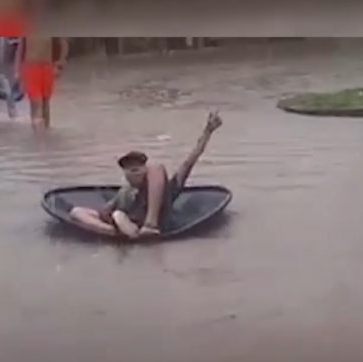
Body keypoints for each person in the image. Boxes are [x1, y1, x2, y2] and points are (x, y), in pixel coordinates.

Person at [70, 111, 223, 239]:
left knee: (156, 167)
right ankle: (117, 233)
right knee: (77, 212)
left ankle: (150, 224)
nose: (133, 170)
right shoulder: (124, 194)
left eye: (137, 167)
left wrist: (207, 132)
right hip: (126, 224)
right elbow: (104, 212)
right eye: (129, 168)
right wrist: (109, 222)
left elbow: (189, 161)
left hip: (154, 226)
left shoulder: (164, 189)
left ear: (144, 170)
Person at [20, 37, 69, 129]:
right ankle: (38, 134)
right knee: (36, 101)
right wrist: (17, 71)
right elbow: (20, 48)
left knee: (45, 103)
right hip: (31, 67)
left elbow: (63, 42)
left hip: (47, 67)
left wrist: (61, 63)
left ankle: (45, 132)